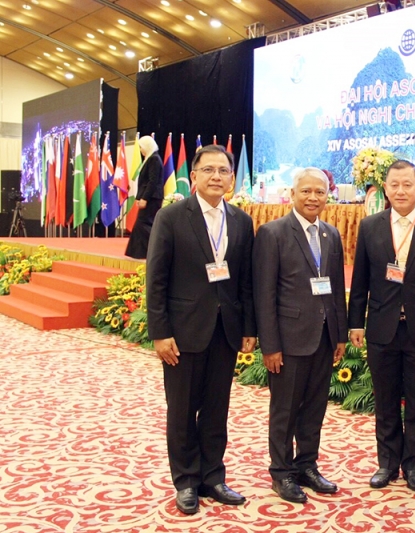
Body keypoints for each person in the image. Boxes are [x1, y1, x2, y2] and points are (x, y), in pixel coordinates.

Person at [146, 144, 256, 515]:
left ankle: (213, 475)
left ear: (231, 177)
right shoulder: (173, 217)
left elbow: (245, 281)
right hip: (183, 331)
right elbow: (156, 278)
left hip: (225, 331)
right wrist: (160, 332)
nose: (216, 177)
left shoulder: (241, 220)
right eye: (208, 170)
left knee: (216, 409)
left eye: (223, 171)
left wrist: (248, 328)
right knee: (181, 410)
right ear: (193, 177)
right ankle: (186, 481)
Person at [348, 159, 415, 492]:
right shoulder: (370, 226)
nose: (400, 191)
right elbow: (361, 280)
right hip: (382, 327)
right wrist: (356, 323)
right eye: (394, 184)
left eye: (407, 185)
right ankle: (387, 464)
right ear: (385, 188)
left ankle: (413, 466)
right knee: (385, 399)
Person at [252, 167, 348, 504]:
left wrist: (339, 335)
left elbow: (336, 289)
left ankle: (307, 465)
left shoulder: (331, 234)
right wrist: (270, 344)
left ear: (327, 196)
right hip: (288, 340)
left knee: (314, 408)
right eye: (305, 191)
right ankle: (281, 472)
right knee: (285, 409)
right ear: (292, 195)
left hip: (323, 337)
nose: (312, 198)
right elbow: (263, 294)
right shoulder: (273, 233)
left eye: (319, 192)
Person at [125, 135, 164, 259]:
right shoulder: (150, 158)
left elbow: (152, 182)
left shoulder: (154, 159)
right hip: (149, 197)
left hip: (152, 198)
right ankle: (141, 252)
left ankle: (159, 249)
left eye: (141, 147)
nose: (141, 150)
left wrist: (145, 198)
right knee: (142, 224)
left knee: (143, 223)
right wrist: (139, 197)